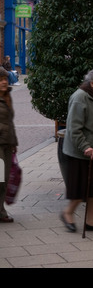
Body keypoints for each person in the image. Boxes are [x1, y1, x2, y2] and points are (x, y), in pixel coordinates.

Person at [61, 69, 93, 232]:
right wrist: (85, 146)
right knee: (81, 188)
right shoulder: (80, 97)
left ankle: (91, 221)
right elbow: (74, 128)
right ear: (91, 83)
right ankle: (67, 213)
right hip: (81, 153)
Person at [0, 66, 18, 223]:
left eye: (5, 79)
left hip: (7, 144)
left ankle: (0, 210)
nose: (4, 82)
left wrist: (14, 142)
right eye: (0, 80)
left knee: (4, 179)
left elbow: (9, 122)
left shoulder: (7, 97)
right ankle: (1, 212)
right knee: (0, 179)